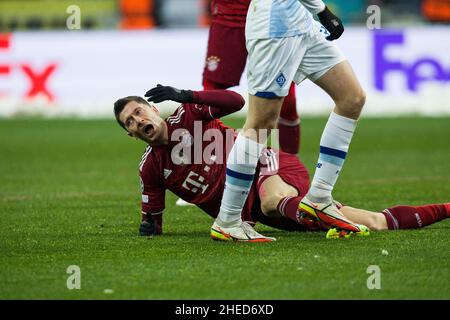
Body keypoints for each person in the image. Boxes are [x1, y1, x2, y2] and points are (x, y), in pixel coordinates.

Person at [113, 86, 450, 240]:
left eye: (139, 110)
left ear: (153, 109)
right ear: (130, 134)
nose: (137, 120)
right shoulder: (151, 168)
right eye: (130, 121)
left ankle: (313, 210)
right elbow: (152, 221)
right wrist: (148, 228)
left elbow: (235, 100)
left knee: (273, 201)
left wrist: (189, 95)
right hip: (260, 211)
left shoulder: (189, 114)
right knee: (375, 223)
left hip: (266, 164)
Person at [214, 0, 368, 241]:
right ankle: (228, 220)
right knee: (259, 124)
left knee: (352, 98)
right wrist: (323, 10)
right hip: (275, 28)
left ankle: (318, 198)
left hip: (303, 24)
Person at [202, 0, 301, 155]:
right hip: (229, 14)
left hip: (273, 17)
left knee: (286, 100)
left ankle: (290, 169)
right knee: (210, 95)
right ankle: (204, 166)